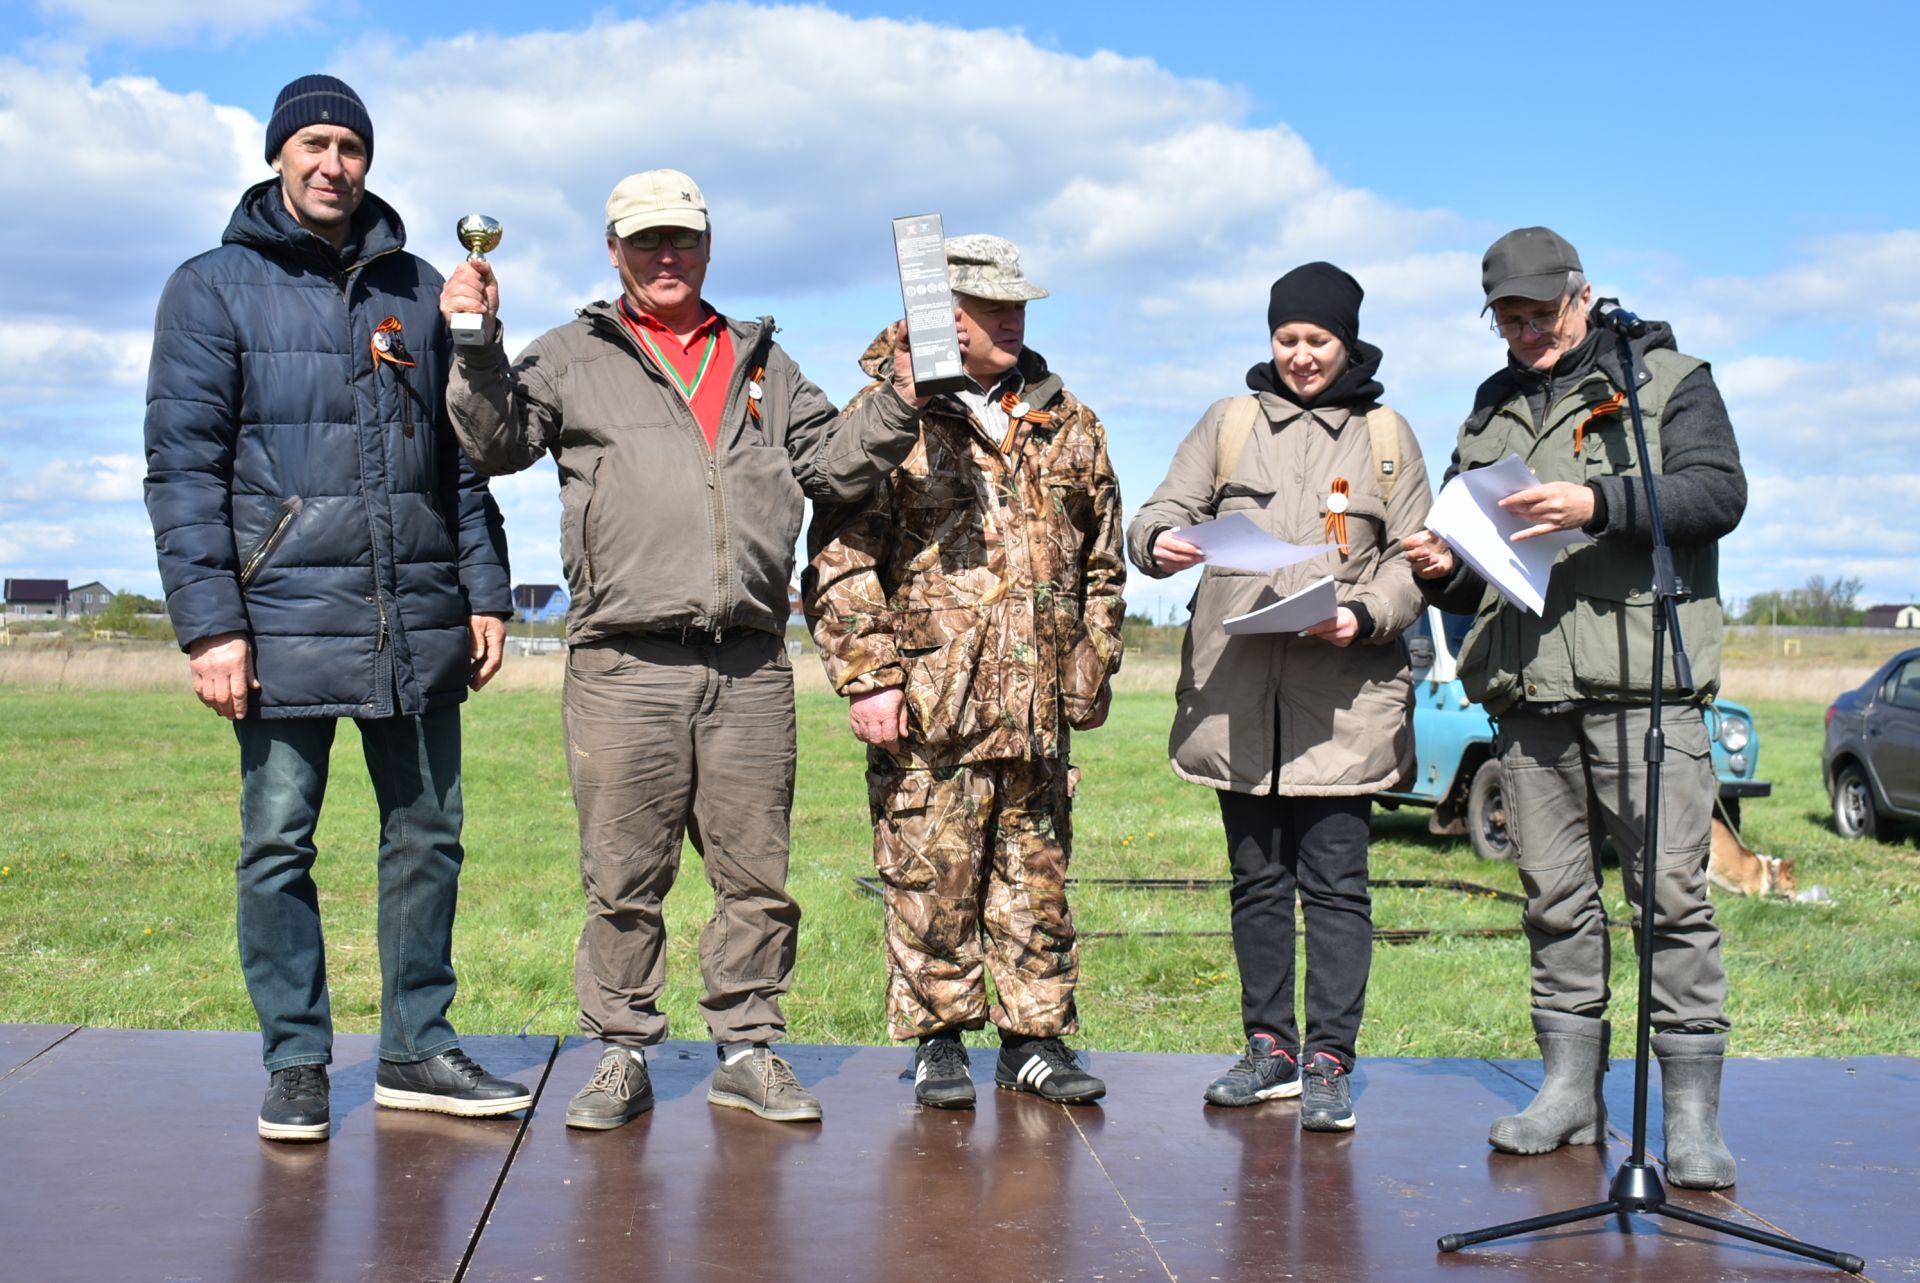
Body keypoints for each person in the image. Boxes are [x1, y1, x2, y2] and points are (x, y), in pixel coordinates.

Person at [442, 169, 941, 1128]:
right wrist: (476, 345)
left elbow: (834, 463)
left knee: (756, 874)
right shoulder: (571, 354)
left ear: (708, 246)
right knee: (623, 876)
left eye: (680, 240)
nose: (664, 257)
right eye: (644, 242)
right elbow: (497, 441)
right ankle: (622, 1050)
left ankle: (748, 1047)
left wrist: (899, 399)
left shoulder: (763, 363)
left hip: (750, 662)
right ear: (614, 251)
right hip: (623, 664)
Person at [143, 75, 528, 1143]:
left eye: (350, 146)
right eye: (314, 143)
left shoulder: (417, 286)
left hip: (415, 610)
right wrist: (210, 622)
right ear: (278, 154)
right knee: (277, 843)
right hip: (275, 619)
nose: (333, 163)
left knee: (428, 836)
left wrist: (484, 587)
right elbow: (181, 467)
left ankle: (414, 1046)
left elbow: (461, 456)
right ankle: (298, 1060)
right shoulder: (211, 287)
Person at [1401, 226, 1744, 1188]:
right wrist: (1444, 571)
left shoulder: (1670, 378)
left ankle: (1691, 1118)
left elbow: (1720, 493)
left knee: (1671, 900)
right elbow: (1483, 574)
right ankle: (1567, 1093)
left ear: (1582, 298)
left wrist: (1596, 505)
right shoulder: (1490, 408)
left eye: (1538, 315)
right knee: (1552, 898)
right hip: (1528, 693)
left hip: (1647, 689)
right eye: (1505, 319)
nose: (1523, 335)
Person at [804, 234, 1125, 1109]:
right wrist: (868, 676)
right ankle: (938, 1040)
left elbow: (1104, 560)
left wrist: (1090, 661)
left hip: (1036, 712)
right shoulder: (886, 417)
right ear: (947, 317)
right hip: (932, 705)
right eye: (994, 308)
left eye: (1019, 305)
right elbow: (838, 558)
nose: (1014, 319)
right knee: (929, 877)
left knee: (1036, 879)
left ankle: (1036, 1037)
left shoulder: (1071, 423)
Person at [1126, 263, 1430, 1132]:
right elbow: (1156, 513)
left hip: (1344, 702)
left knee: (1335, 884)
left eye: (1318, 342)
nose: (1301, 357)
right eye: (1287, 339)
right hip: (1237, 698)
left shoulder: (1385, 435)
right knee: (1256, 881)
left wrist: (1368, 613)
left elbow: (1417, 557)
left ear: (1349, 343)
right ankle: (1271, 1051)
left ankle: (1331, 1058)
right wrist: (1162, 541)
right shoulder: (1227, 424)